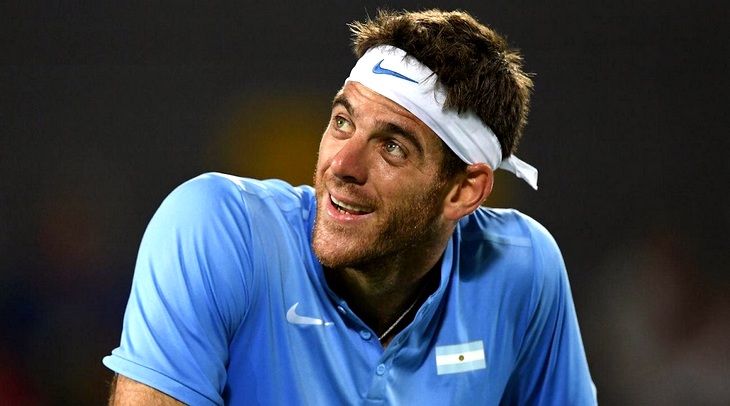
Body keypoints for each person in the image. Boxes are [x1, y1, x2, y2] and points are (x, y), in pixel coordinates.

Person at [103, 9, 596, 405]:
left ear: (463, 192)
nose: (341, 165)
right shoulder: (216, 226)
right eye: (343, 122)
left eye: (392, 147)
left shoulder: (522, 266)